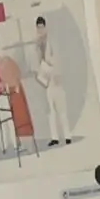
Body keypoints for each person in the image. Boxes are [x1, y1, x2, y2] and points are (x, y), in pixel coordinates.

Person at [34, 14, 71, 146]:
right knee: (50, 111)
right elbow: (38, 62)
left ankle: (67, 136)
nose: (40, 30)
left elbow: (58, 59)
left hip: (56, 77)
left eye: (42, 27)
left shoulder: (52, 40)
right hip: (46, 80)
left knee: (61, 109)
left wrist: (55, 72)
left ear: (45, 27)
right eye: (38, 28)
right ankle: (54, 137)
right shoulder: (38, 44)